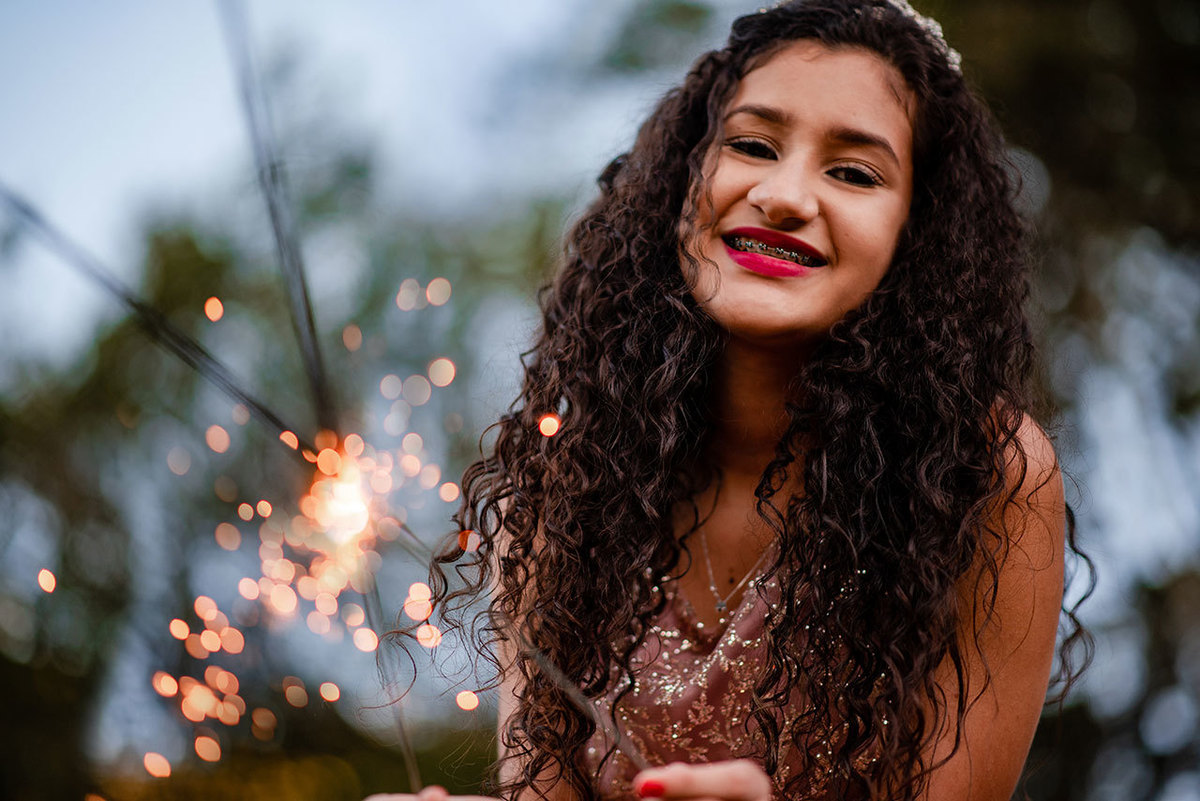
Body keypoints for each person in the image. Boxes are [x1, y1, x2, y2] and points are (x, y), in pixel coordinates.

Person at [371, 0, 1088, 798]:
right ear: (683, 183)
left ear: (915, 235)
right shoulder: (564, 479)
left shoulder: (987, 477)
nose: (784, 196)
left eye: (852, 172)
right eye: (751, 145)